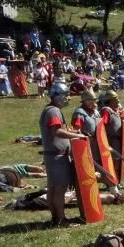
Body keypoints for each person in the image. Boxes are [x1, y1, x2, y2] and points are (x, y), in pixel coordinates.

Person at [40, 82, 90, 227]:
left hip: (55, 156)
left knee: (54, 188)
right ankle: (61, 220)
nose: (68, 98)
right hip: (57, 156)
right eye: (66, 95)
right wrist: (78, 137)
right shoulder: (53, 111)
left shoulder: (52, 110)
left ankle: (56, 218)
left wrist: (76, 132)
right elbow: (57, 131)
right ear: (57, 96)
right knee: (59, 189)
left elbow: (62, 128)